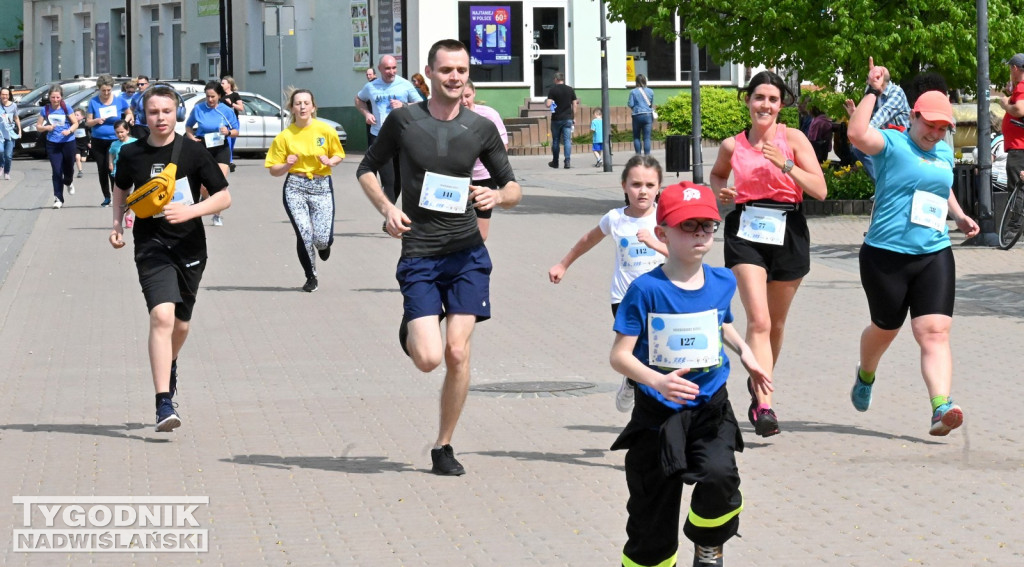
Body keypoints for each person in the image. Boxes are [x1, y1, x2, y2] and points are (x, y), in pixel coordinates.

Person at [356, 39, 521, 476]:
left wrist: (498, 196)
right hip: (420, 254)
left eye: (461, 70)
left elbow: (513, 187)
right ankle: (414, 327)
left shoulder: (481, 127)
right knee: (428, 358)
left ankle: (443, 446)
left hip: (467, 253)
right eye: (446, 70)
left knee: (456, 353)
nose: (454, 77)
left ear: (469, 74)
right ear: (428, 73)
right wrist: (388, 208)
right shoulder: (404, 121)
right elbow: (366, 169)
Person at [609, 181, 770, 567]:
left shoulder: (722, 281)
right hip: (658, 414)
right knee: (651, 520)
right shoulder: (645, 290)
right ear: (662, 233)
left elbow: (721, 322)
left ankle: (708, 543)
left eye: (707, 225)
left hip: (709, 408)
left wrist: (745, 352)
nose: (700, 232)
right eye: (688, 225)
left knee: (720, 479)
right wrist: (656, 380)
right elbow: (619, 356)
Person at [847, 68, 979, 436]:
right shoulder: (892, 143)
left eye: (942, 129)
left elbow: (939, 187)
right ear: (913, 118)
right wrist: (872, 90)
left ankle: (941, 406)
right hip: (885, 256)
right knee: (885, 328)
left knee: (934, 331)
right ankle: (865, 374)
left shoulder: (943, 152)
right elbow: (856, 133)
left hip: (934, 253)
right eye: (930, 126)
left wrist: (960, 215)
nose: (935, 134)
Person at [708, 70, 826, 438]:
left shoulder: (793, 139)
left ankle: (760, 376)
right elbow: (716, 176)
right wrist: (722, 193)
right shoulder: (733, 145)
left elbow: (820, 190)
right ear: (748, 100)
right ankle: (764, 405)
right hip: (746, 230)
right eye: (760, 97)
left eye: (773, 100)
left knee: (775, 325)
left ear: (781, 105)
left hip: (788, 228)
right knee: (757, 321)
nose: (766, 105)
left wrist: (786, 165)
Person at [110, 84, 231, 432]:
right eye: (153, 112)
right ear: (143, 115)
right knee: (162, 317)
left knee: (180, 324)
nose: (160, 118)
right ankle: (164, 402)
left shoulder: (192, 152)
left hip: (190, 247)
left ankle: (170, 362)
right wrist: (117, 224)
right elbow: (121, 188)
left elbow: (223, 198)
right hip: (151, 246)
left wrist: (192, 211)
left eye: (166, 111)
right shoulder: (131, 153)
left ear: (176, 113)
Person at [548, 155, 668, 413]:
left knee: (653, 354)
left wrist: (655, 243)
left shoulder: (666, 218)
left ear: (659, 187)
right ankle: (635, 385)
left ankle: (636, 384)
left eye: (649, 185)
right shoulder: (615, 218)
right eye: (636, 184)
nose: (643, 191)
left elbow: (682, 254)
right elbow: (588, 240)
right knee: (636, 351)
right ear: (624, 185)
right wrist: (563, 264)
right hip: (625, 298)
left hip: (661, 297)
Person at [265, 89, 346, 292]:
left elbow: (339, 154)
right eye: (298, 103)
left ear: (313, 107)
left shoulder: (325, 130)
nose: (302, 106)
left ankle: (324, 245)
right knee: (304, 234)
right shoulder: (285, 136)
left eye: (306, 103)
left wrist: (330, 161)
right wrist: (286, 165)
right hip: (295, 186)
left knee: (321, 238)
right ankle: (311, 277)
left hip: (321, 186)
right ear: (292, 108)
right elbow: (273, 170)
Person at [355, 55, 424, 204]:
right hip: (379, 137)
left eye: (394, 68)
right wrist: (366, 113)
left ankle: (390, 212)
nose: (391, 72)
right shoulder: (371, 86)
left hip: (401, 138)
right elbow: (359, 99)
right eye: (387, 68)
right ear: (379, 69)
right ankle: (389, 218)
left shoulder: (405, 85)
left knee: (399, 181)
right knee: (389, 180)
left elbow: (422, 105)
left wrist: (404, 105)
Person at [843, 57, 910, 179]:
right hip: (885, 139)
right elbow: (868, 121)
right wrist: (855, 115)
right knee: (858, 147)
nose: (879, 70)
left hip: (903, 140)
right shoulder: (872, 94)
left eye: (880, 72)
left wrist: (862, 132)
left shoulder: (896, 92)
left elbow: (882, 115)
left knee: (861, 140)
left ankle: (889, 183)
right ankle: (882, 182)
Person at [185, 81, 239, 227]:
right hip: (203, 147)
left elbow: (236, 131)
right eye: (208, 96)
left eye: (213, 96)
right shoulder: (199, 109)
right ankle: (207, 201)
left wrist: (228, 132)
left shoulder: (226, 110)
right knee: (203, 186)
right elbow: (188, 126)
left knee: (219, 182)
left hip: (221, 148)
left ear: (219, 96)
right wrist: (192, 138)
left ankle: (216, 215)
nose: (210, 100)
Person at [460, 79, 508, 240]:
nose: (464, 101)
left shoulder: (489, 115)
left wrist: (500, 173)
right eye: (460, 97)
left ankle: (472, 260)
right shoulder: (449, 115)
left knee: (482, 232)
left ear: (474, 93)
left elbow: (502, 146)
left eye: (467, 96)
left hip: (484, 178)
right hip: (458, 177)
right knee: (455, 226)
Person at [85, 74, 133, 206]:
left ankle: (116, 194)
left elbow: (129, 113)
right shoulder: (94, 102)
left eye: (108, 90)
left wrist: (124, 122)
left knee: (113, 167)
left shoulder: (118, 101)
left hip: (114, 139)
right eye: (103, 90)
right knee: (102, 169)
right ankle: (106, 196)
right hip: (98, 139)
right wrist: (96, 120)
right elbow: (88, 122)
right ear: (99, 89)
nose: (106, 93)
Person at [37, 84, 80, 209]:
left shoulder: (66, 108)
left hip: (68, 142)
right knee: (56, 171)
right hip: (52, 143)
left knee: (68, 168)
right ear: (49, 97)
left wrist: (69, 131)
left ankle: (69, 181)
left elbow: (76, 123)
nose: (55, 100)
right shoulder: (45, 109)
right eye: (53, 97)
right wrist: (47, 127)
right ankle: (58, 198)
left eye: (57, 97)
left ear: (61, 97)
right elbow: (38, 126)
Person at [997, 53, 1024, 189]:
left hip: (1019, 149)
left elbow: (1019, 110)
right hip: (1019, 147)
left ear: (1014, 68)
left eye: (1010, 69)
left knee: (1017, 191)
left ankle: (1018, 212)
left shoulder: (1022, 85)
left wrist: (1004, 105)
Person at [108, 120, 137, 227]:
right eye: (117, 132)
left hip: (132, 173)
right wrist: (110, 163)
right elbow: (111, 153)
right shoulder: (114, 144)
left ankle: (128, 214)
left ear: (127, 130)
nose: (120, 134)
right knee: (121, 197)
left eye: (122, 132)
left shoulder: (135, 141)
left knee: (130, 196)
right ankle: (123, 217)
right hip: (119, 173)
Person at [545, 72, 578, 169]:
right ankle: (567, 161)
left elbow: (548, 104)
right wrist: (574, 117)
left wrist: (547, 101)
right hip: (567, 118)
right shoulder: (570, 89)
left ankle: (555, 162)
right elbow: (575, 104)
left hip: (556, 119)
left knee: (556, 140)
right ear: (563, 79)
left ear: (556, 79)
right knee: (567, 140)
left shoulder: (553, 90)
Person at [220, 76, 245, 173]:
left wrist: (231, 104)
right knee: (228, 141)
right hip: (224, 123)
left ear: (229, 85)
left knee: (232, 143)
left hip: (234, 123)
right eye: (221, 83)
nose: (221, 85)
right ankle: (229, 162)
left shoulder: (235, 95)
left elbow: (241, 108)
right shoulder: (220, 96)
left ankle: (228, 161)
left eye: (223, 83)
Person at [627, 74, 656, 156]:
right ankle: (647, 157)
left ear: (636, 81)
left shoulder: (633, 92)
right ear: (645, 81)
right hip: (648, 115)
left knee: (636, 137)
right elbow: (651, 104)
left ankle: (638, 157)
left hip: (637, 115)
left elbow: (631, 104)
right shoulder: (651, 91)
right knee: (647, 138)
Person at [0, 86, 21, 180]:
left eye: (6, 94)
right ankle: (1, 165)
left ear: (9, 95)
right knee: (0, 151)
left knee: (8, 155)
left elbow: (16, 118)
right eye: (3, 94)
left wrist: (20, 130)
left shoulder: (13, 106)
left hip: (10, 133)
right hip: (0, 134)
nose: (4, 96)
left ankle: (7, 172)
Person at [73, 109, 89, 179]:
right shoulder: (73, 125)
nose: (75, 116)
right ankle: (80, 171)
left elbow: (89, 134)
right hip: (76, 144)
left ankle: (85, 154)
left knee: (83, 160)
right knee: (77, 157)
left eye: (77, 115)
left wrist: (89, 142)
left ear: (82, 117)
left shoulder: (84, 125)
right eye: (74, 115)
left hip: (84, 144)